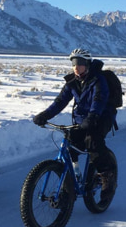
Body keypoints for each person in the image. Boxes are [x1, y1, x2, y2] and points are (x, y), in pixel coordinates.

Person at [33, 48, 116, 201]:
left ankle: (107, 176)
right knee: (71, 143)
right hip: (82, 120)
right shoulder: (72, 82)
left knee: (93, 143)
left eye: (80, 63)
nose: (76, 67)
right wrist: (45, 115)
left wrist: (92, 117)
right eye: (73, 63)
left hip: (101, 117)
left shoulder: (98, 80)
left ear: (88, 64)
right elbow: (60, 102)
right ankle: (71, 183)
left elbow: (99, 100)